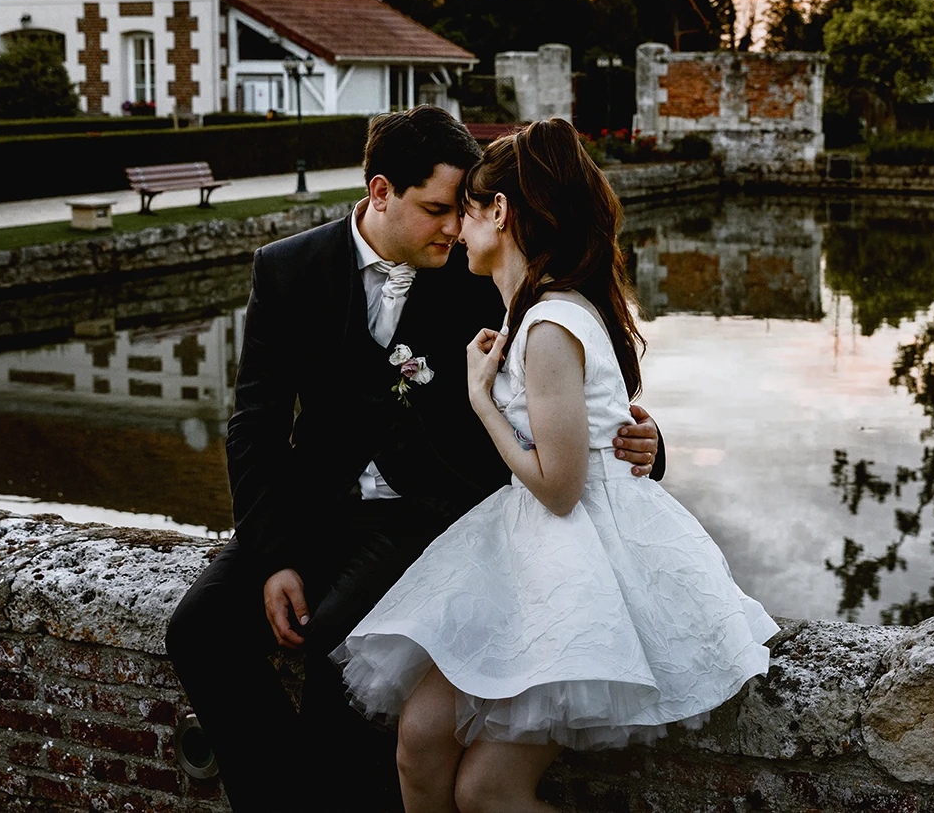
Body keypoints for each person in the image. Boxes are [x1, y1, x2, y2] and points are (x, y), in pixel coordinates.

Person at [165, 107, 665, 811]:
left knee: (334, 645)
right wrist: (274, 555)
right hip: (309, 508)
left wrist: (647, 443)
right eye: (435, 209)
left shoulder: (478, 274)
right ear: (379, 192)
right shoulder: (287, 270)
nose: (454, 227)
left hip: (424, 519)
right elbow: (254, 425)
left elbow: (579, 382)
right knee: (199, 631)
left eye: (461, 210)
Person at [334, 119, 777, 813]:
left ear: (500, 212)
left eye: (466, 210)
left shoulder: (546, 317)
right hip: (515, 541)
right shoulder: (527, 306)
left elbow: (564, 485)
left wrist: (482, 399)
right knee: (419, 739)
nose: (454, 229)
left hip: (574, 550)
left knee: (486, 789)